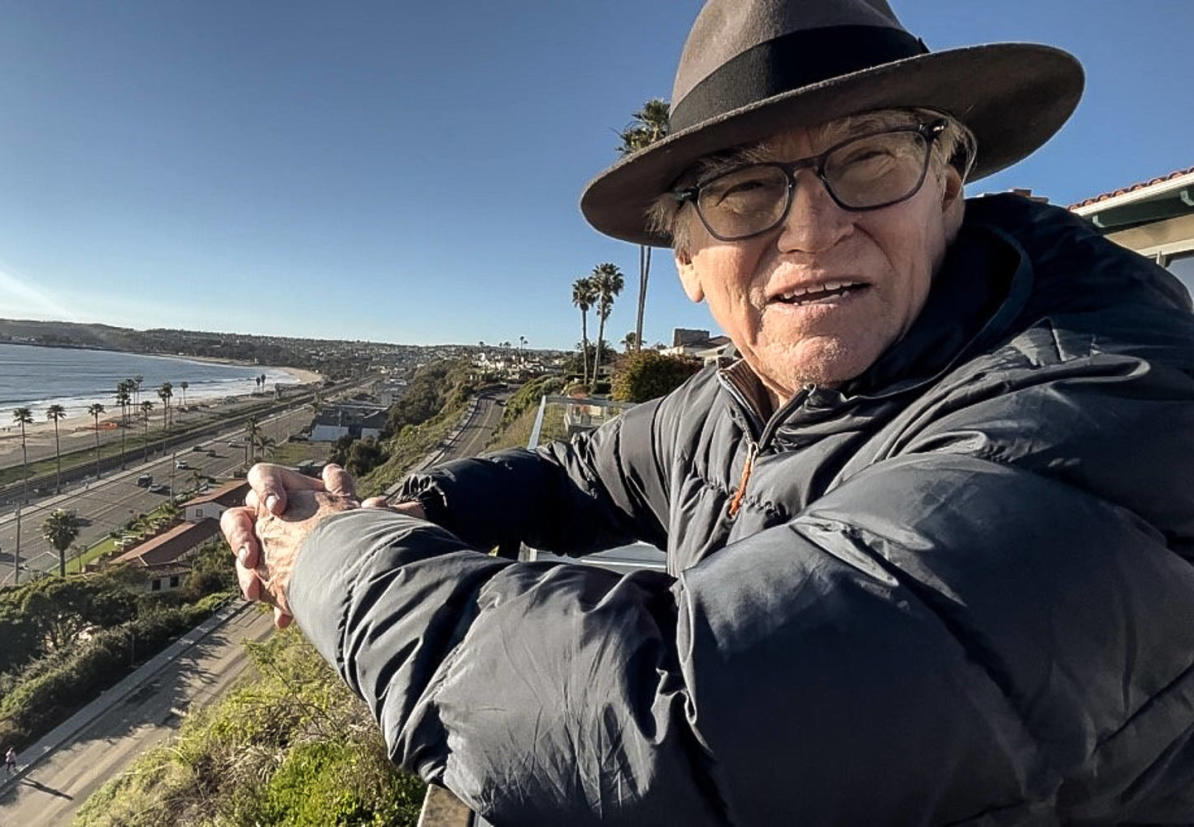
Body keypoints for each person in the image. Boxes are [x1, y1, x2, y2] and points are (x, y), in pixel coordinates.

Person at [221, 0, 1194, 823]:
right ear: (686, 259)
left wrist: (327, 555)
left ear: (947, 185)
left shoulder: (1100, 404)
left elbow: (671, 719)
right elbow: (573, 472)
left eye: (868, 158)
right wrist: (408, 512)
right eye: (741, 190)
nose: (813, 226)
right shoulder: (740, 399)